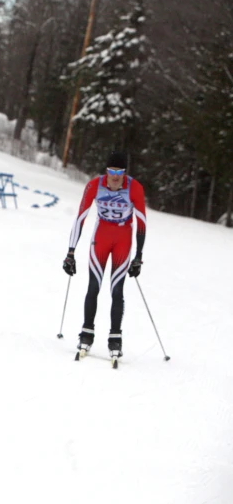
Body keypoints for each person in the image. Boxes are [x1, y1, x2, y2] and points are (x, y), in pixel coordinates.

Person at [63, 151, 147, 360]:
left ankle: (115, 339)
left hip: (123, 238)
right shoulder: (94, 185)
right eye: (112, 171)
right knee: (94, 286)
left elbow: (142, 222)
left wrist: (138, 256)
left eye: (120, 172)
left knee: (116, 290)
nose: (116, 176)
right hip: (101, 237)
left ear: (125, 172)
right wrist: (70, 253)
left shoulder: (134, 187)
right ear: (106, 171)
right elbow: (80, 217)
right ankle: (86, 334)